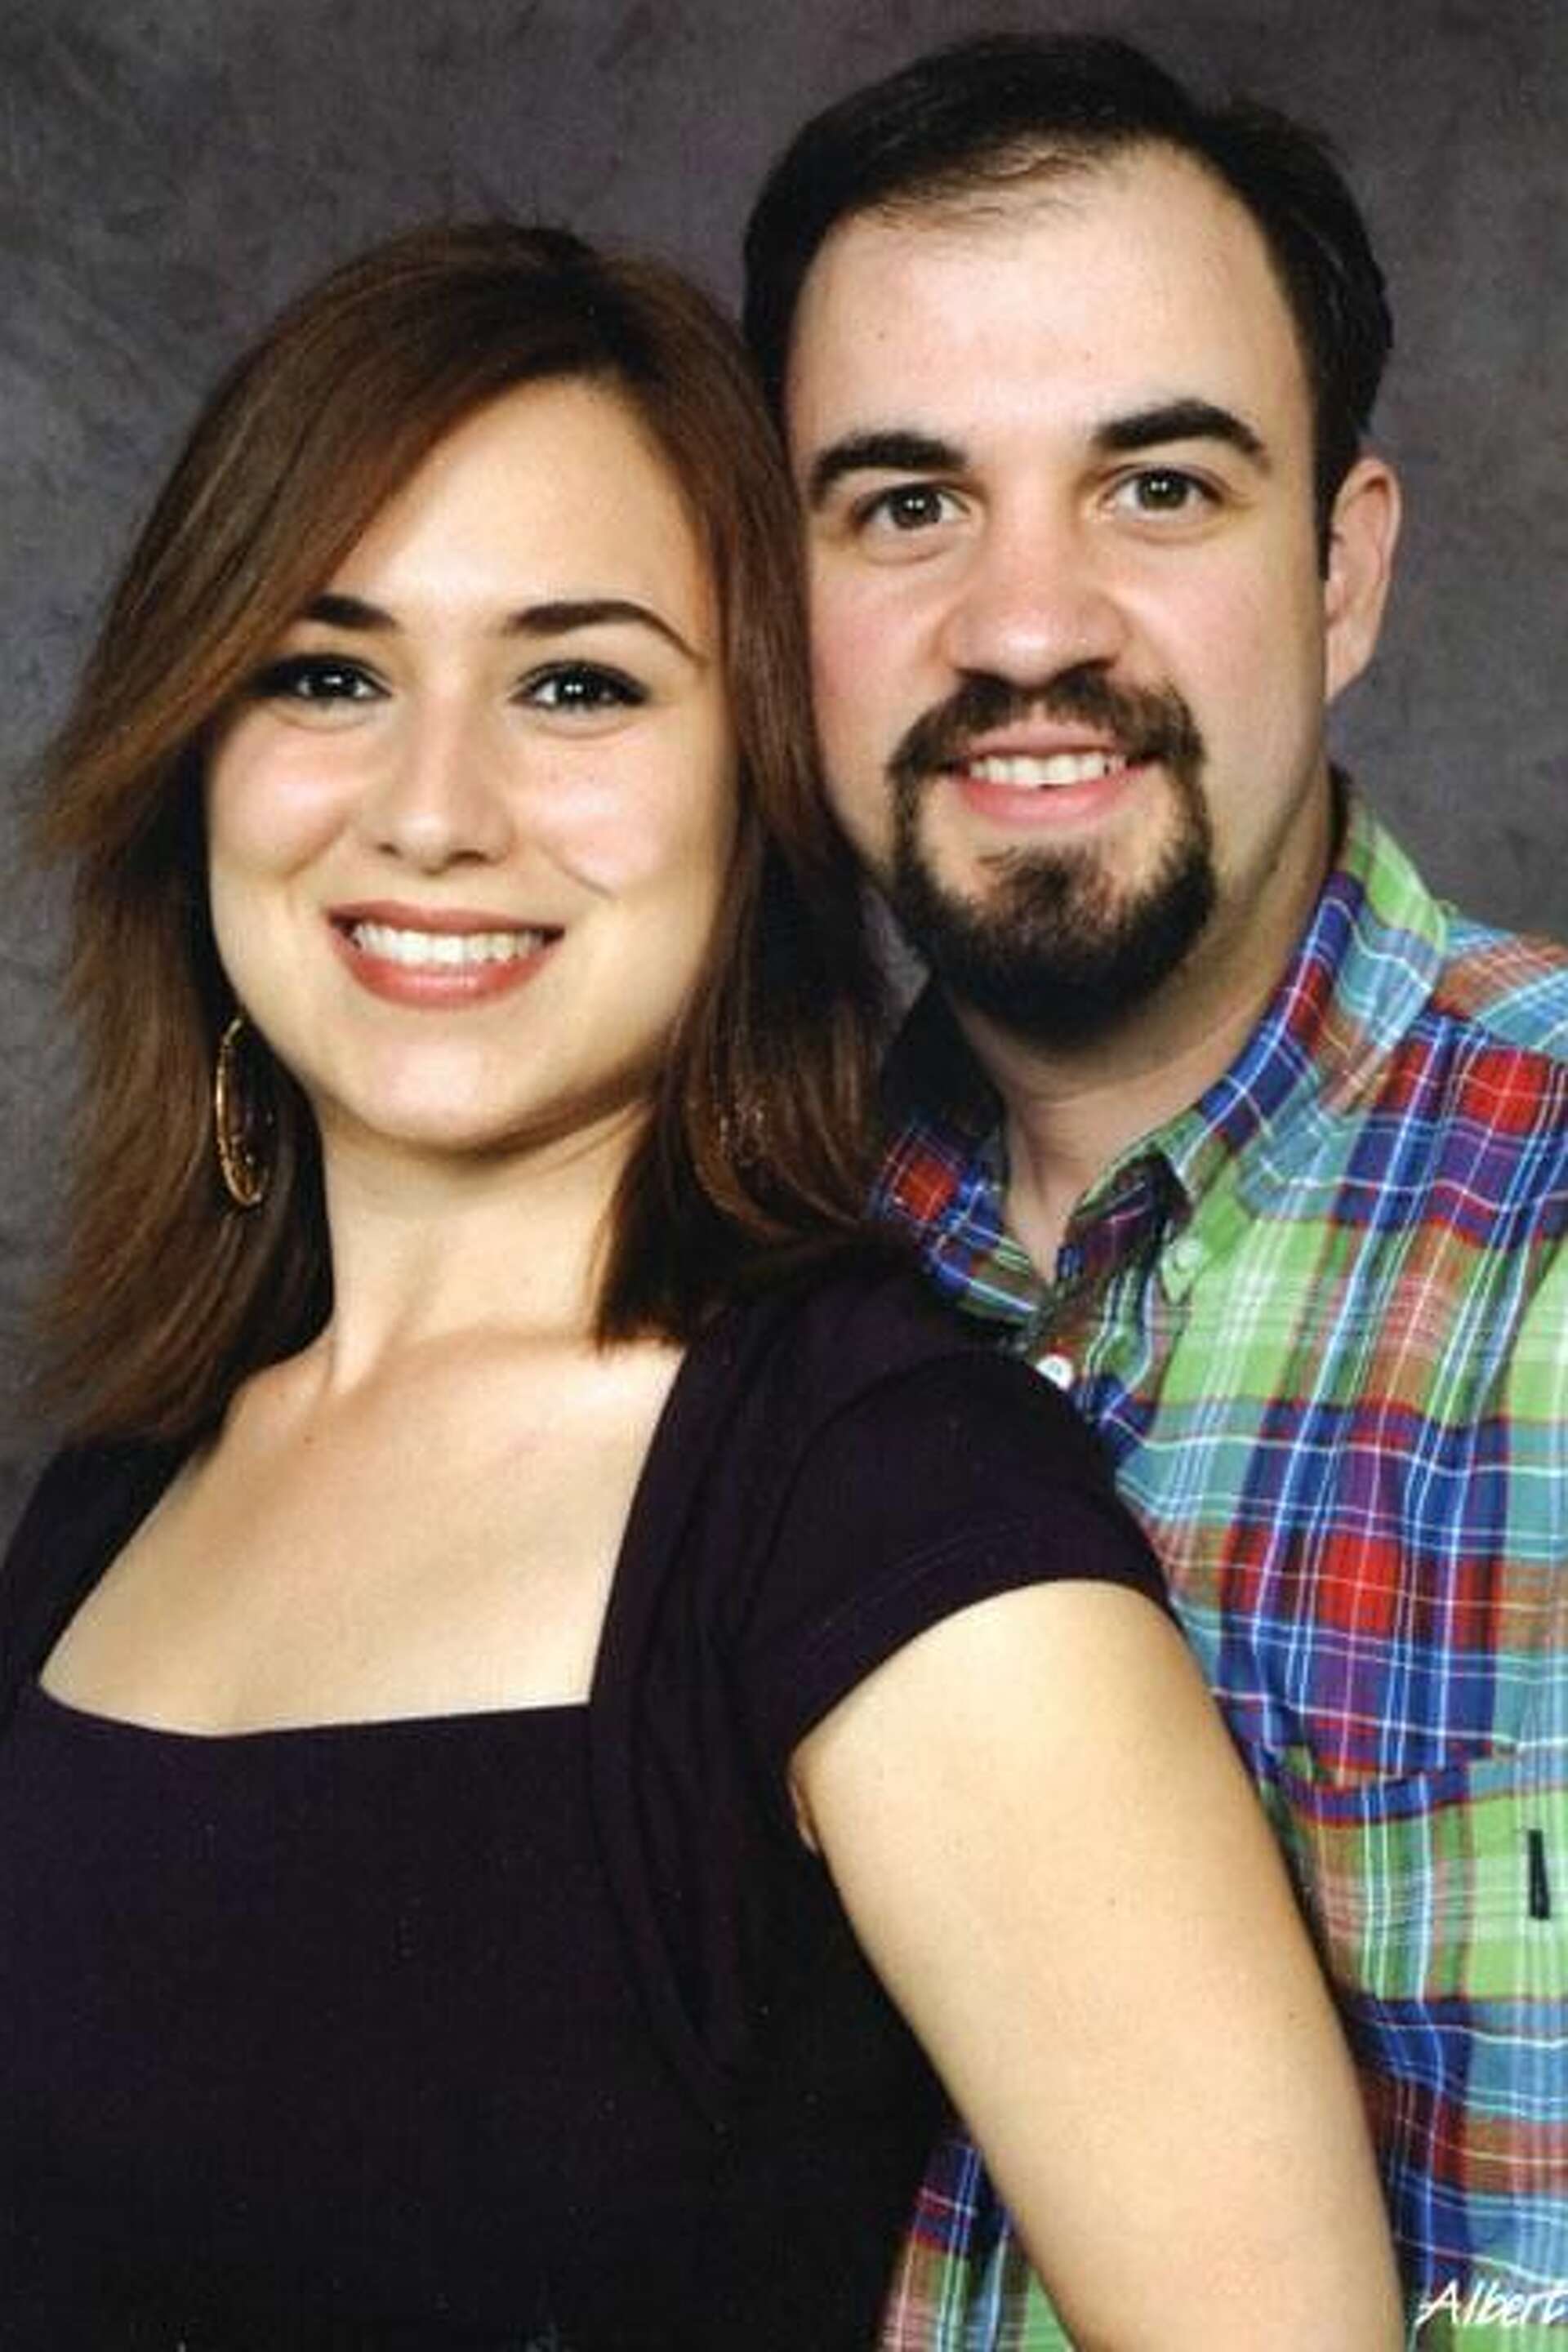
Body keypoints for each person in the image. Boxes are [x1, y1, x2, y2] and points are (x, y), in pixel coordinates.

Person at [0, 223, 1397, 2350]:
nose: (433, 812)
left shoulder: (892, 1501)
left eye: (577, 684)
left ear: (757, 784)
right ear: (193, 750)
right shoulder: (115, 1489)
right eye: (327, 673)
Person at [743, 29, 1568, 2350]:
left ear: (1344, 571)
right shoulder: (714, 1274)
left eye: (1160, 487)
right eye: (907, 505)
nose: (1028, 628)